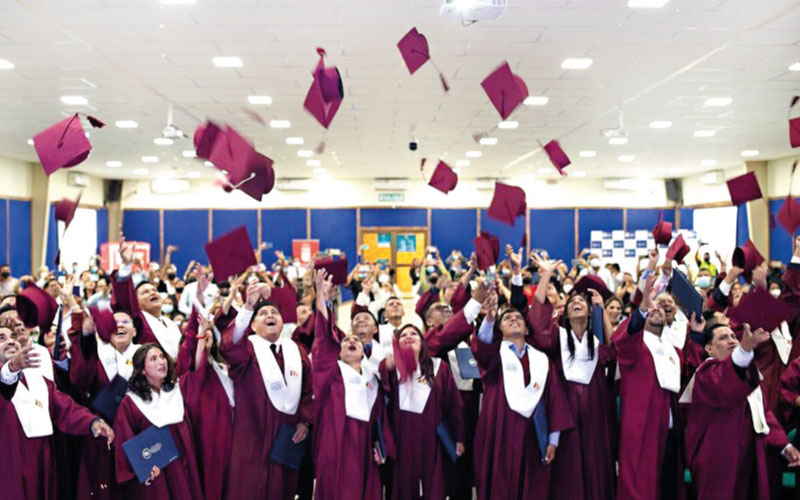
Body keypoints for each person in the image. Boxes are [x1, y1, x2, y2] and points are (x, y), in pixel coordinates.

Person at [471, 286, 573, 500]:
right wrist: (489, 318)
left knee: (532, 488)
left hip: (533, 435)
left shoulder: (541, 360)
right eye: (507, 318)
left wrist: (553, 441)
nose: (514, 319)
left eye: (519, 317)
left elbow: (555, 401)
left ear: (527, 329)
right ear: (500, 329)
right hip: (499, 432)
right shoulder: (494, 356)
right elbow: (482, 348)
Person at [221, 280, 313, 500]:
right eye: (263, 314)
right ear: (252, 326)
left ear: (282, 321)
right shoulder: (248, 347)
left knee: (283, 489)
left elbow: (309, 390)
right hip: (252, 433)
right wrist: (248, 308)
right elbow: (229, 347)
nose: (270, 315)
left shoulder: (296, 350)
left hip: (287, 434)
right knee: (249, 487)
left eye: (275, 312)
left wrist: (305, 421)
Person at [687, 321, 800, 500]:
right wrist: (745, 350)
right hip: (719, 457)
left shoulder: (748, 374)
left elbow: (764, 415)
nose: (732, 341)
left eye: (733, 336)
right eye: (723, 338)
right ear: (709, 348)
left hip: (751, 455)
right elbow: (727, 383)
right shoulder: (706, 373)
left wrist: (785, 446)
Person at [0, 330, 115, 500]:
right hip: (10, 460)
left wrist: (92, 422)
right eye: (2, 338)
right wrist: (11, 368)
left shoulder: (37, 378)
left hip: (44, 457)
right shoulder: (6, 376)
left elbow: (64, 407)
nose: (11, 341)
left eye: (14, 337)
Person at [312, 269, 395, 500]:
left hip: (364, 449)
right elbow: (323, 336)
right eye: (347, 339)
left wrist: (381, 448)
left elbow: (380, 419)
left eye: (356, 341)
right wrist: (322, 295)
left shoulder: (373, 377)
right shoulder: (332, 372)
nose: (351, 340)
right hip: (335, 444)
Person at [613, 271, 687, 500]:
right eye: (650, 309)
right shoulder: (636, 345)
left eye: (660, 308)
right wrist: (643, 303)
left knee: (667, 487)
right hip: (642, 428)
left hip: (671, 428)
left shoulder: (673, 350)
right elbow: (623, 341)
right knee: (640, 485)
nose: (656, 310)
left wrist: (694, 331)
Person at [380, 324, 465, 500]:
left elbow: (454, 405)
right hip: (401, 439)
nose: (408, 336)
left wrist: (459, 438)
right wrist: (386, 367)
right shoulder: (390, 368)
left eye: (414, 334)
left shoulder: (439, 368)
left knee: (433, 487)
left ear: (423, 342)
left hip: (431, 439)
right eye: (403, 335)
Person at [113, 343, 204, 499]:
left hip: (185, 463)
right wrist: (143, 470)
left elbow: (198, 370)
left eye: (162, 357)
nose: (161, 362)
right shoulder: (131, 403)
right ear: (142, 369)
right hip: (157, 473)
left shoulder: (178, 389)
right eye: (153, 359)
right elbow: (125, 441)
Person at [175, 301, 234, 500]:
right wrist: (199, 332)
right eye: (202, 332)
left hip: (228, 429)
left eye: (209, 331)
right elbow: (197, 360)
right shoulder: (187, 366)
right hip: (204, 430)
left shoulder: (222, 365)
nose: (205, 334)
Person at [112, 240, 183, 359]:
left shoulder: (171, 324)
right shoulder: (138, 320)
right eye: (145, 292)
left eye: (154, 291)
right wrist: (125, 267)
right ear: (136, 302)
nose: (152, 292)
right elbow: (123, 301)